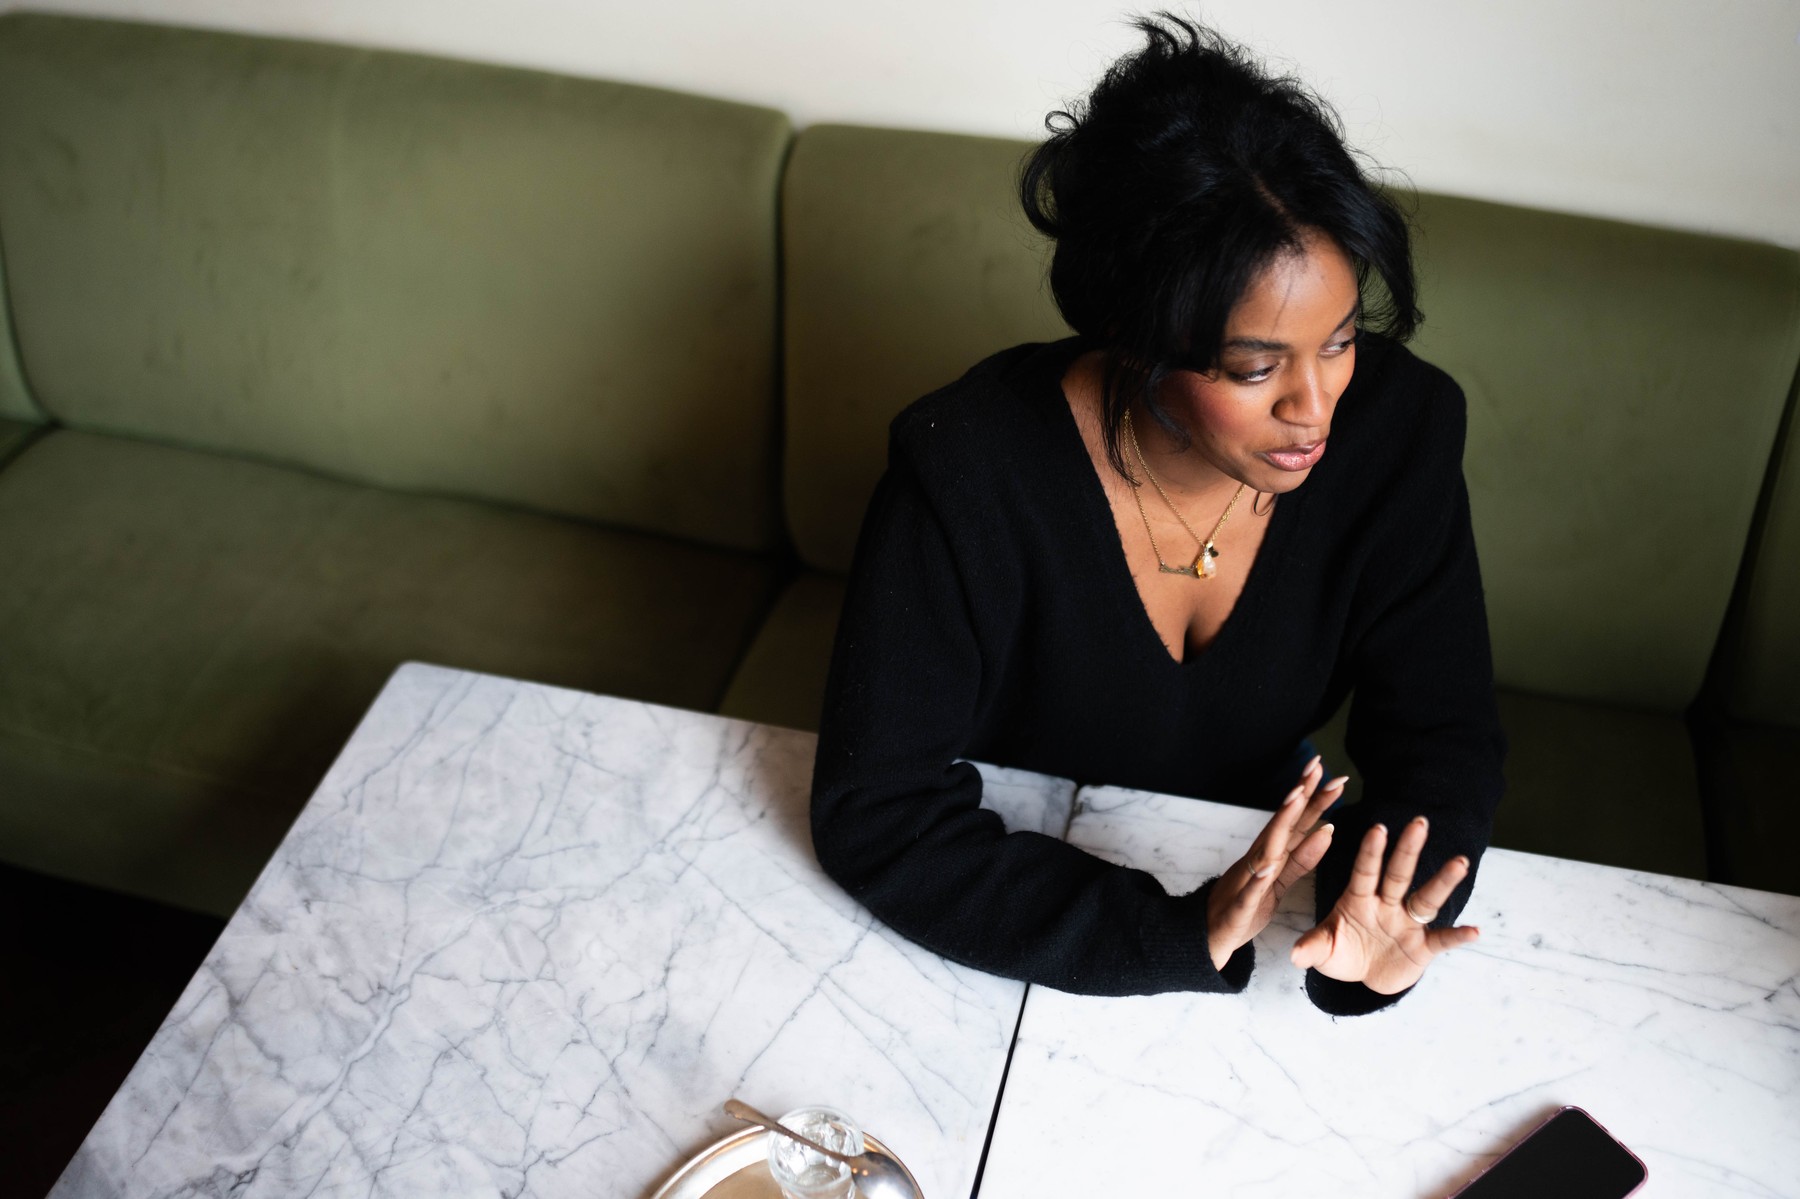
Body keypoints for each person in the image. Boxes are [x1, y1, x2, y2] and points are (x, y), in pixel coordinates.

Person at [809, 14, 1505, 1016]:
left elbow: (1441, 733)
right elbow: (878, 812)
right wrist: (1174, 931)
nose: (1316, 408)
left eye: (1341, 340)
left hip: (1246, 840)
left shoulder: (1402, 430)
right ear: (1134, 337)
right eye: (1254, 367)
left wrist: (1373, 917)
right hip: (1000, 875)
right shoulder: (965, 467)